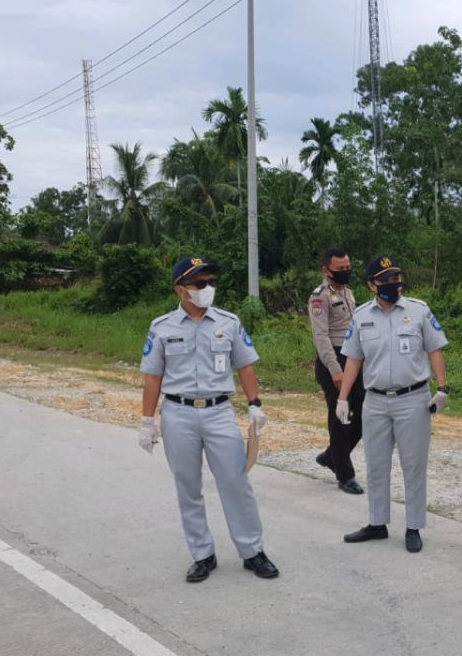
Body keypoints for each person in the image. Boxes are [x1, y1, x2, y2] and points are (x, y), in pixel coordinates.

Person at [138, 256, 279, 582]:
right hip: (178, 413)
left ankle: (252, 551)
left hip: (219, 413)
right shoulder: (162, 327)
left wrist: (255, 404)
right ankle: (202, 554)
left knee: (236, 482)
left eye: (211, 282)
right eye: (199, 284)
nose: (207, 288)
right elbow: (152, 377)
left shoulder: (228, 322)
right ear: (180, 289)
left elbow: (245, 366)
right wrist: (147, 421)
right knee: (188, 486)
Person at [336, 255, 449, 553]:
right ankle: (377, 523)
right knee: (376, 465)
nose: (393, 284)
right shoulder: (362, 316)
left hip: (413, 399)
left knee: (413, 465)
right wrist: (343, 397)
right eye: (385, 280)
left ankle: (413, 526)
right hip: (375, 401)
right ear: (372, 284)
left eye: (395, 277)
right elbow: (353, 358)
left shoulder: (418, 310)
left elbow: (435, 349)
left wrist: (443, 388)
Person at [310, 247, 365, 495]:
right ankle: (345, 474)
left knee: (364, 416)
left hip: (354, 358)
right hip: (334, 360)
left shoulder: (348, 293)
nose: (345, 272)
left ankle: (332, 455)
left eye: (347, 267)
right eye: (340, 269)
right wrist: (335, 370)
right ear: (326, 270)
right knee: (340, 418)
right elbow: (321, 337)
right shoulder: (319, 297)